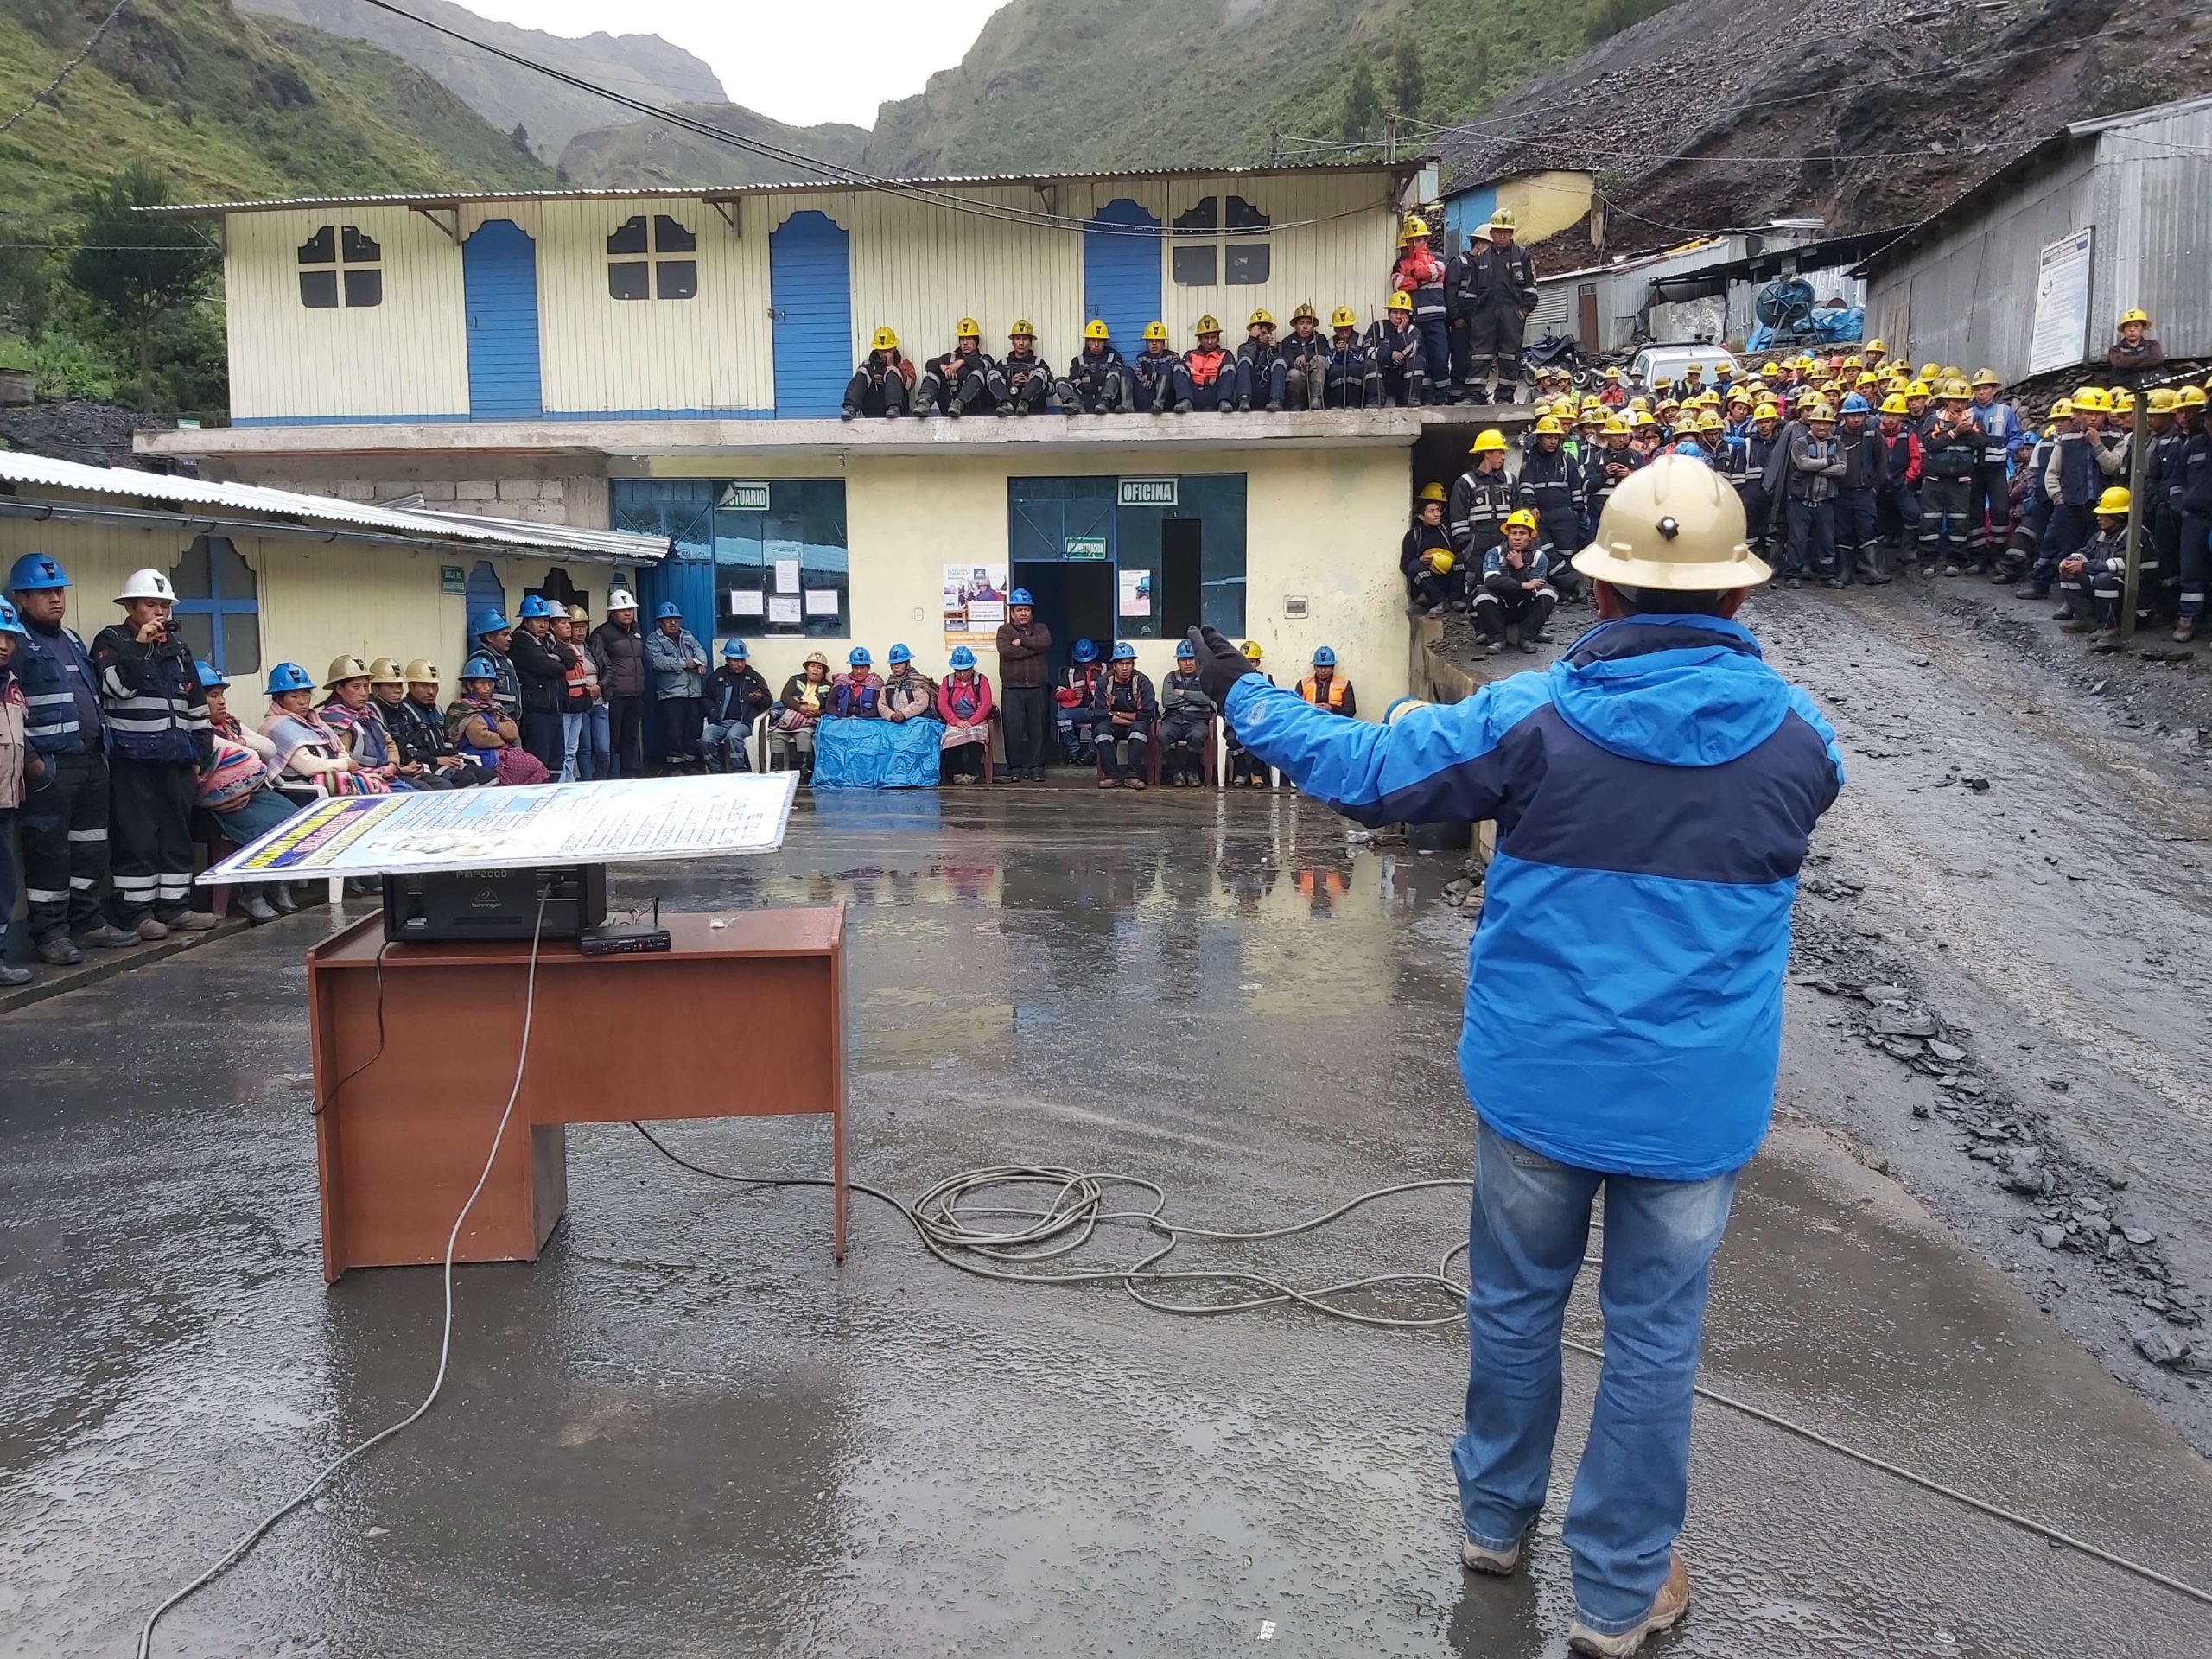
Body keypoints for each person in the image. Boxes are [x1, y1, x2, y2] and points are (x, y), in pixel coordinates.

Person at [1184, 454, 1840, 1659]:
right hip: (1693, 1107)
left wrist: (1244, 694)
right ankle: (1619, 1596)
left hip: (1540, 1085)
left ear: (1600, 592)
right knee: (1653, 1341)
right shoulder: (1805, 743)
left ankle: (1494, 1525)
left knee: (1517, 1308)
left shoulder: (1529, 719)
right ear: (1740, 595)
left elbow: (1368, 774)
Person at [6, 552, 135, 964]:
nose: (56, 599)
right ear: (21, 598)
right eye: (44, 592)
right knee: (49, 852)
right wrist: (34, 762)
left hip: (91, 759)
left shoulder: (74, 640)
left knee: (90, 848)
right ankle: (51, 935)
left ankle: (89, 923)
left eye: (59, 591)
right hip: (51, 767)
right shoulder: (15, 642)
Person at [92, 569, 215, 940]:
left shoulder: (179, 648)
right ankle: (137, 914)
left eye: (165, 605)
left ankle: (175, 908)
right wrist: (140, 648)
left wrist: (200, 753)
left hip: (176, 759)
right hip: (132, 762)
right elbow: (115, 687)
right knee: (137, 838)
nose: (160, 612)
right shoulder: (112, 641)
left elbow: (197, 704)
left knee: (176, 836)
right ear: (130, 607)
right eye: (151, 604)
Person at [190, 661, 303, 924]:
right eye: (213, 696)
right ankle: (251, 894)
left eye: (222, 695)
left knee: (298, 819)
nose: (221, 702)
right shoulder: (197, 731)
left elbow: (269, 748)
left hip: (254, 793)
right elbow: (248, 754)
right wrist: (246, 748)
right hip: (220, 803)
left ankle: (279, 883)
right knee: (262, 828)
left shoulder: (231, 725)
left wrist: (243, 742)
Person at [262, 662, 380, 797]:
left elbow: (339, 748)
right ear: (278, 699)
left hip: (334, 782)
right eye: (294, 696)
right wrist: (346, 764)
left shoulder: (313, 720)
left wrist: (346, 762)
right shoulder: (275, 727)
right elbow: (308, 766)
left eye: (305, 695)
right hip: (306, 791)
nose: (302, 702)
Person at [1457, 210, 1539, 405]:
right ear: (1491, 233)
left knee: (1509, 355)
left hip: (1511, 313)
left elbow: (1531, 288)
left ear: (1512, 233)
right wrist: (1473, 314)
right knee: (1479, 354)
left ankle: (1504, 397)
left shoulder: (1523, 256)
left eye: (1506, 232)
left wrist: (1522, 312)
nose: (1502, 236)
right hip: (1485, 312)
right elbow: (1471, 289)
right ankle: (1475, 395)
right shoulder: (1482, 258)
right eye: (1498, 232)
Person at [442, 656, 549, 785]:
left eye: (490, 683)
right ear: (470, 685)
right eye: (481, 683)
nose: (487, 688)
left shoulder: (494, 706)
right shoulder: (465, 708)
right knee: (533, 767)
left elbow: (513, 732)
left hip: (501, 753)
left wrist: (495, 727)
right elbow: (481, 738)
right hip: (481, 755)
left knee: (537, 768)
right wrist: (503, 736)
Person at [1916, 384, 1984, 577]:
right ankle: (1928, 562)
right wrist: (1955, 432)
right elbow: (1930, 444)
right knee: (1930, 521)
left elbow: (1981, 443)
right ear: (1947, 401)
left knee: (1959, 522)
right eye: (1955, 400)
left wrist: (1966, 430)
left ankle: (1955, 561)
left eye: (1963, 401)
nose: (1959, 405)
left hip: (1960, 481)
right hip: (1934, 479)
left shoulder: (1974, 420)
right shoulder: (1934, 419)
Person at [0, 598, 34, 982]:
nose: (4, 645)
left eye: (10, 637)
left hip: (7, 802)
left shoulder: (12, 685)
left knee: (4, 883)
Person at [320, 655, 414, 791]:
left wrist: (392, 765)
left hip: (387, 777)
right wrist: (374, 775)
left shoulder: (368, 714)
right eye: (356, 687)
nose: (363, 693)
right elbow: (344, 764)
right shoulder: (335, 721)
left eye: (366, 686)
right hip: (361, 785)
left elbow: (390, 744)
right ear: (339, 689)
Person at [2061, 486, 2143, 639]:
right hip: (2112, 583)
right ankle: (2087, 619)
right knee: (2069, 571)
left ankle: (2110, 626)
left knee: (2104, 579)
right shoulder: (2102, 534)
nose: (2098, 518)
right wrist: (2070, 561)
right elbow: (2086, 552)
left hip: (2139, 594)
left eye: (2104, 515)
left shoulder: (2134, 535)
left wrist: (2085, 566)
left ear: (2119, 516)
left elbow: (2121, 565)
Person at [390, 659, 489, 786]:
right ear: (411, 686)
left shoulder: (437, 709)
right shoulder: (404, 712)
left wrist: (452, 755)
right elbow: (409, 750)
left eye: (434, 686)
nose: (431, 691)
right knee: (464, 779)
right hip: (426, 765)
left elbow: (447, 738)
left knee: (487, 775)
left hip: (445, 760)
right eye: (424, 686)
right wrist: (436, 760)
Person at [1473, 511, 1559, 656]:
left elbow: (1535, 587)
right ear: (1507, 534)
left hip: (1524, 606)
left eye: (1522, 533)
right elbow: (1491, 581)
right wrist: (1523, 585)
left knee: (1549, 592)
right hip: (1500, 606)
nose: (1517, 538)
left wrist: (1519, 567)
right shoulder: (1494, 553)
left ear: (1530, 536)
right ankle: (1497, 638)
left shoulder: (1539, 557)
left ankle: (1527, 637)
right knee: (1482, 593)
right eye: (1513, 533)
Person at [1781, 401, 1846, 588]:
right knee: (1797, 541)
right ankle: (1792, 575)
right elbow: (1803, 465)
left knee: (1827, 542)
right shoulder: (1800, 443)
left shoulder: (1838, 444)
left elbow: (1842, 470)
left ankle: (1828, 576)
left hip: (1825, 501)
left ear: (1832, 425)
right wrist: (1829, 462)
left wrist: (1815, 467)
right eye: (1818, 423)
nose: (1822, 427)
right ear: (1811, 423)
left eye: (1826, 423)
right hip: (1801, 501)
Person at [508, 594, 574, 772]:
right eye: (537, 621)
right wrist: (555, 661)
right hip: (536, 711)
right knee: (539, 764)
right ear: (526, 620)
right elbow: (547, 667)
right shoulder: (521, 640)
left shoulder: (549, 639)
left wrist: (556, 658)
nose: (543, 625)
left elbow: (570, 659)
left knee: (557, 763)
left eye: (545, 620)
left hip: (555, 708)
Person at [588, 588, 648, 779]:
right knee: (612, 740)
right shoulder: (602, 634)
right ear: (612, 612)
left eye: (630, 609)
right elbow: (601, 664)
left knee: (631, 737)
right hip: (615, 696)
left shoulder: (637, 631)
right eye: (622, 610)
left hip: (635, 694)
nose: (627, 613)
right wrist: (606, 688)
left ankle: (630, 776)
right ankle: (612, 777)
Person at [995, 588, 1052, 781]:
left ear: (1031, 612)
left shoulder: (1041, 628)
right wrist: (1033, 649)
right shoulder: (1004, 631)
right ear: (1012, 613)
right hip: (1012, 689)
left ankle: (1037, 769)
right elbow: (1006, 650)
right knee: (1013, 731)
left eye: (1027, 609)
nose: (1023, 613)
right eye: (1019, 610)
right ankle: (1015, 770)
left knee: (1038, 730)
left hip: (1037, 688)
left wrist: (1022, 641)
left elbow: (1045, 642)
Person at [1831, 394, 1887, 587]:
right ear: (1844, 416)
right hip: (1841, 492)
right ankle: (1845, 571)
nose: (1856, 419)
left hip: (1864, 491)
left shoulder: (1872, 435)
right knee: (1843, 532)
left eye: (1860, 415)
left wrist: (1875, 488)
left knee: (1867, 529)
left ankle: (1871, 568)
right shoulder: (1836, 435)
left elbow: (1881, 463)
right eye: (1852, 415)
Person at [1393, 216, 1448, 405]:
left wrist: (1414, 276)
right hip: (1414, 319)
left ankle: (1442, 398)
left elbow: (1435, 271)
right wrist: (1421, 280)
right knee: (1420, 359)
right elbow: (1398, 284)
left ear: (1426, 240)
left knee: (1440, 358)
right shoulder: (1400, 264)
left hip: (1435, 318)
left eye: (1419, 240)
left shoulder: (1438, 257)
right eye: (1411, 240)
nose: (1415, 244)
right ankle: (1427, 398)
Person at [645, 601, 707, 772]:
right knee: (674, 731)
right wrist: (684, 664)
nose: (673, 623)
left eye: (676, 620)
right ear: (660, 622)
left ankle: (691, 764)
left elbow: (700, 651)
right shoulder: (653, 639)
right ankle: (675, 766)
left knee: (692, 730)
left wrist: (701, 663)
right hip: (671, 694)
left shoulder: (688, 635)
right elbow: (658, 661)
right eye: (668, 620)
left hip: (693, 692)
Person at [1449, 429, 1516, 569]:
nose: (1503, 457)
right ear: (1487, 453)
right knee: (1476, 579)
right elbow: (1458, 517)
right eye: (1500, 452)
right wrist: (1466, 545)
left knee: (1505, 578)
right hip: (1477, 545)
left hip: (1505, 543)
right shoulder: (1465, 482)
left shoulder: (1510, 480)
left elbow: (1518, 511)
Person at [701, 639, 772, 772]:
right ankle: (715, 772)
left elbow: (768, 701)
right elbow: (706, 698)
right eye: (735, 660)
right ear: (727, 660)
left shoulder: (753, 677)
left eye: (742, 660)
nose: (740, 664)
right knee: (706, 739)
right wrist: (712, 712)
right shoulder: (718, 676)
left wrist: (759, 699)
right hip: (720, 721)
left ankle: (738, 771)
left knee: (733, 736)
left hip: (744, 722)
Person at [1092, 641, 1154, 788]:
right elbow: (1101, 713)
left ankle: (1132, 776)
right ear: (1114, 666)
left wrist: (1118, 714)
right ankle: (1112, 776)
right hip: (1114, 724)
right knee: (1101, 731)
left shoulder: (1143, 681)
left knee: (1139, 731)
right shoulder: (1104, 681)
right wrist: (1130, 718)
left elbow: (1147, 714)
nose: (1125, 668)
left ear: (1133, 665)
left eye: (1129, 663)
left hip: (1135, 724)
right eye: (1121, 664)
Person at [1872, 394, 1923, 563]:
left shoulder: (1909, 435)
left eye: (1894, 415)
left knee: (1913, 513)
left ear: (1901, 416)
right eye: (1887, 415)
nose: (1890, 419)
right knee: (1876, 519)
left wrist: (1908, 478)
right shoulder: (1874, 434)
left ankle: (1908, 550)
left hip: (1901, 484)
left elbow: (1916, 459)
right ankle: (1878, 556)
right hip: (1879, 487)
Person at [1159, 639, 1217, 785]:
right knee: (1162, 734)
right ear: (1178, 662)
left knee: (1197, 736)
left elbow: (1208, 699)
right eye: (1184, 660)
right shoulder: (1171, 677)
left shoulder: (1205, 676)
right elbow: (1167, 701)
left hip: (1198, 720)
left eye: (1191, 659)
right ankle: (1176, 772)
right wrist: (1195, 699)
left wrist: (1183, 693)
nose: (1188, 663)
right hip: (1174, 719)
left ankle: (1193, 772)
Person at [560, 607, 608, 780]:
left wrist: (600, 686)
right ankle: (587, 783)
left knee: (604, 749)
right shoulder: (565, 649)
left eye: (584, 626)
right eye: (577, 626)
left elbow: (608, 668)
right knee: (583, 748)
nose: (581, 631)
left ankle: (602, 781)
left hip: (599, 701)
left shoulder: (593, 646)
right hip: (579, 703)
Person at [937, 645, 994, 784]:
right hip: (955, 720)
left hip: (976, 720)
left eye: (965, 670)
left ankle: (972, 772)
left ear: (972, 668)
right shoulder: (947, 681)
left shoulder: (981, 680)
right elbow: (942, 704)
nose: (962, 674)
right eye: (958, 671)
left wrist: (971, 722)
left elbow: (986, 704)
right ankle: (957, 771)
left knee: (976, 738)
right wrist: (955, 721)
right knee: (951, 739)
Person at [771, 651, 831, 780]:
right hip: (789, 720)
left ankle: (803, 769)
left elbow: (831, 707)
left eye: (819, 668)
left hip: (809, 722)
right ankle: (776, 771)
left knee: (804, 735)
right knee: (777, 735)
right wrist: (800, 708)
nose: (815, 670)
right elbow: (785, 697)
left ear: (823, 672)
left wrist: (818, 712)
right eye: (812, 666)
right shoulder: (796, 680)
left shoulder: (828, 686)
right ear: (806, 669)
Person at [918, 317, 994, 417]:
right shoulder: (950, 358)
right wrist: (942, 366)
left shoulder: (984, 358)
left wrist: (962, 362)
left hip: (974, 408)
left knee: (979, 373)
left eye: (969, 339)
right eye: (962, 339)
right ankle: (924, 403)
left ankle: (960, 402)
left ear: (976, 341)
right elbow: (929, 364)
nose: (965, 343)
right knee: (932, 374)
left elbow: (985, 365)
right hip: (949, 407)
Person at [1404, 484, 1460, 616]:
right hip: (1428, 583)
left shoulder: (1445, 530)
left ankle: (1455, 599)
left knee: (1462, 559)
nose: (1437, 514)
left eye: (1438, 510)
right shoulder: (1414, 535)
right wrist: (1420, 561)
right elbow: (1405, 564)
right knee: (1414, 566)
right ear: (1422, 516)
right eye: (1431, 511)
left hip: (1446, 577)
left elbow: (1456, 551)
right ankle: (1438, 601)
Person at [1222, 639, 1271, 786]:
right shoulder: (1231, 680)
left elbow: (1273, 702)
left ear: (1258, 663)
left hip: (1260, 723)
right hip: (1237, 723)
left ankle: (1257, 773)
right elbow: (1225, 703)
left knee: (1263, 738)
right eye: (1245, 661)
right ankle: (1241, 772)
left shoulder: (1266, 679)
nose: (1249, 665)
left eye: (1252, 661)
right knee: (1232, 739)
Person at [1369, 291, 1427, 408]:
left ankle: (1412, 399)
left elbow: (1411, 351)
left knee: (1418, 360)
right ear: (1389, 313)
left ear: (1408, 315)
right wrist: (1390, 354)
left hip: (1402, 379)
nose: (1398, 317)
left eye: (1402, 313)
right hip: (1384, 377)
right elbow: (1368, 351)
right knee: (1370, 364)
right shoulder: (1377, 327)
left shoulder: (1413, 331)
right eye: (1395, 312)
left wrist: (1401, 332)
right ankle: (1376, 401)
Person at [842, 326, 914, 420]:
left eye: (887, 350)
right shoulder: (868, 365)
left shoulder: (903, 364)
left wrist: (891, 367)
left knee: (892, 370)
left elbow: (909, 385)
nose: (884, 354)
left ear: (894, 349)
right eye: (881, 351)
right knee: (863, 371)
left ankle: (894, 408)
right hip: (873, 408)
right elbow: (858, 383)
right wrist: (873, 378)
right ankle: (850, 408)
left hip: (899, 408)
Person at [1059, 319, 1128, 414]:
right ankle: (1075, 405)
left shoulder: (1114, 357)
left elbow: (1116, 379)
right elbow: (1075, 381)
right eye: (1093, 340)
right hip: (1083, 399)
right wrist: (1097, 385)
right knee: (1060, 381)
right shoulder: (1077, 361)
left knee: (1115, 372)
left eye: (1100, 341)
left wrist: (1089, 379)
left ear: (1105, 342)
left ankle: (1104, 403)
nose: (1096, 345)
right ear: (1087, 341)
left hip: (1106, 402)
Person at [1171, 316, 1236, 413]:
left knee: (1229, 368)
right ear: (1200, 339)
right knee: (1178, 366)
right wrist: (1208, 380)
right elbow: (1190, 376)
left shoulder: (1225, 354)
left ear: (1218, 338)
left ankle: (1224, 401)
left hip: (1217, 396)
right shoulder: (1190, 355)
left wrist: (1199, 376)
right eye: (1206, 338)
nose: (1209, 342)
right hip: (1194, 396)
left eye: (1213, 337)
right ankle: (1185, 401)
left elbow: (1226, 377)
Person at [1055, 638, 1104, 765]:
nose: (1086, 664)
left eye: (1089, 661)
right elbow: (1058, 695)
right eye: (1082, 661)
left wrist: (1100, 701)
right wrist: (1070, 694)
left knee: (1106, 721)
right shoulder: (1069, 673)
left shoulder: (1106, 670)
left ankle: (1092, 752)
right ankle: (1074, 750)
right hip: (1078, 711)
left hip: (1099, 710)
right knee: (1062, 717)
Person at [988, 320, 1053, 416]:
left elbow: (1051, 391)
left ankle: (1024, 404)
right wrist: (1010, 383)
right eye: (1018, 338)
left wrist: (1031, 384)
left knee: (1040, 372)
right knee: (992, 373)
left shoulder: (1039, 363)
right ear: (1013, 342)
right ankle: (1006, 404)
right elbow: (991, 390)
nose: (1021, 343)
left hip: (1033, 409)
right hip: (1007, 409)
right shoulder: (1003, 363)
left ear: (1030, 343)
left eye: (1025, 339)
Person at [1322, 307, 1380, 410]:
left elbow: (1363, 358)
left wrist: (1349, 351)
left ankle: (1354, 404)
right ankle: (1336, 404)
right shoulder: (1330, 343)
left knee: (1354, 368)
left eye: (1347, 329)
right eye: (1340, 330)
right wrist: (1338, 353)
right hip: (1336, 389)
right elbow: (1328, 362)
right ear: (1334, 329)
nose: (1344, 333)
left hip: (1357, 382)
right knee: (1336, 370)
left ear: (1352, 327)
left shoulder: (1362, 340)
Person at [469, 607, 521, 719]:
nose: (510, 639)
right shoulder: (483, 659)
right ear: (489, 637)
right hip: (495, 719)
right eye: (505, 635)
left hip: (508, 718)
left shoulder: (504, 659)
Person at [1233, 308, 1287, 412]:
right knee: (1244, 359)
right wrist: (1252, 340)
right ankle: (1244, 400)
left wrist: (1274, 350)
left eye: (1263, 333)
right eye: (1256, 333)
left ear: (1269, 334)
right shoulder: (1244, 347)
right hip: (1251, 391)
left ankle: (1276, 401)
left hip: (1268, 390)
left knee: (1280, 361)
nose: (1259, 337)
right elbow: (1246, 358)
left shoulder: (1278, 347)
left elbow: (1280, 369)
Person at [1279, 302, 1329, 410]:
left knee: (1319, 360)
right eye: (1301, 323)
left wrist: (1306, 357)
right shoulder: (1288, 341)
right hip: (1298, 375)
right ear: (1295, 325)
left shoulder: (1320, 339)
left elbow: (1322, 354)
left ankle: (1316, 400)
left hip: (1316, 377)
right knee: (1293, 374)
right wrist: (1299, 364)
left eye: (1309, 323)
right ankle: (1296, 404)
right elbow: (1288, 360)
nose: (1305, 327)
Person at [1128, 321, 1179, 415]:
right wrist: (1157, 381)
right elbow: (1139, 378)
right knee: (1126, 371)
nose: (1154, 344)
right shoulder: (1141, 358)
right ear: (1146, 344)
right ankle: (1127, 406)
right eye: (1151, 341)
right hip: (1145, 397)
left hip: (1166, 401)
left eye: (1158, 341)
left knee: (1166, 369)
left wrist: (1149, 377)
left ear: (1163, 343)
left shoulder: (1173, 357)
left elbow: (1171, 377)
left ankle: (1158, 403)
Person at [880, 643, 938, 724]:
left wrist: (904, 714)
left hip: (919, 722)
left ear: (908, 664)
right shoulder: (888, 686)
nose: (896, 667)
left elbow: (922, 702)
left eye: (900, 663)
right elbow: (882, 705)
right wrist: (891, 715)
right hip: (894, 723)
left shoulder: (917, 683)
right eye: (894, 664)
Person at [1298, 645, 1355, 715]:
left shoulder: (1344, 684)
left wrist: (1331, 708)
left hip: (1335, 721)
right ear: (1314, 667)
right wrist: (1311, 708)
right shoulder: (1303, 684)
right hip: (1310, 720)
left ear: (1333, 667)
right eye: (1319, 666)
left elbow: (1350, 711)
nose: (1323, 670)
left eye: (1327, 666)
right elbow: (1295, 708)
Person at [2107, 306, 2165, 374]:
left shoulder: (2152, 345)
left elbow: (2158, 359)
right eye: (2128, 326)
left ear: (2143, 328)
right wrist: (2145, 357)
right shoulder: (2115, 349)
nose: (2132, 329)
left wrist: (2128, 362)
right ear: (2123, 330)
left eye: (2136, 326)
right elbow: (2119, 363)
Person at [831, 646, 885, 718]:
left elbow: (878, 708)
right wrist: (841, 718)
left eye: (862, 668)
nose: (859, 671)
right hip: (842, 720)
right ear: (852, 667)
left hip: (868, 721)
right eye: (856, 668)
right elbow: (830, 704)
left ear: (869, 668)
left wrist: (858, 719)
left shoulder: (876, 683)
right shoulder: (842, 681)